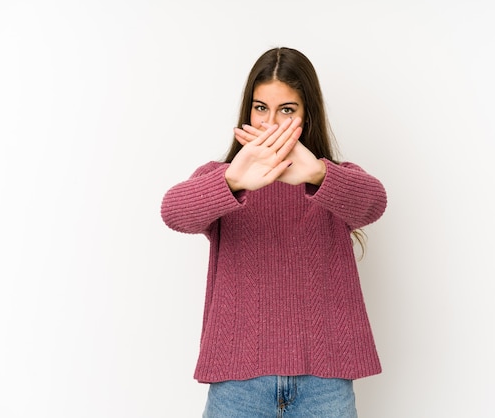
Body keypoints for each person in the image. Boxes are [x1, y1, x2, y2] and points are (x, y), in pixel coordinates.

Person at [161, 47, 387, 417]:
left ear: (306, 113)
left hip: (325, 384)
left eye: (287, 110)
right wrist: (233, 178)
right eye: (261, 107)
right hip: (238, 384)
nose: (270, 123)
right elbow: (173, 212)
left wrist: (318, 174)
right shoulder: (223, 179)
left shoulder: (333, 179)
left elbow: (374, 203)